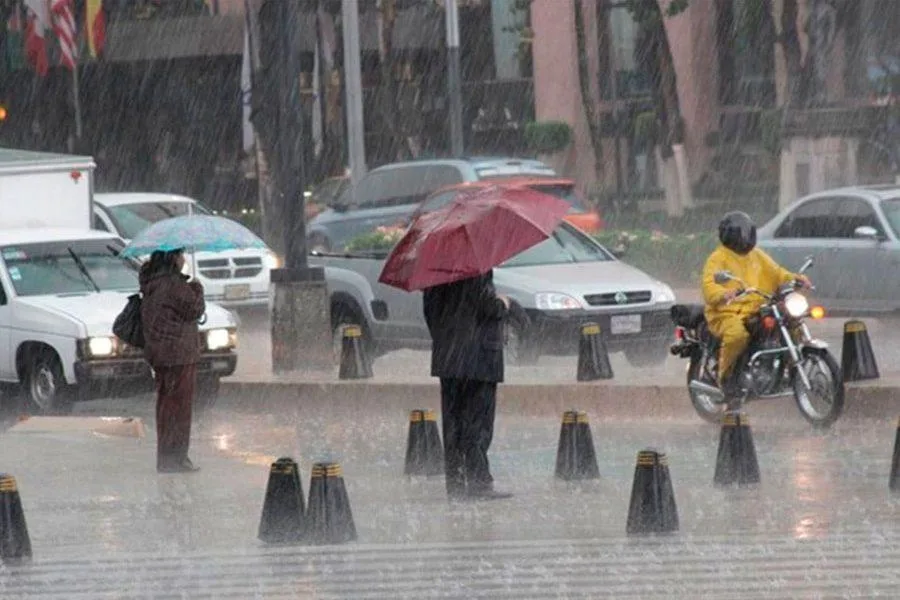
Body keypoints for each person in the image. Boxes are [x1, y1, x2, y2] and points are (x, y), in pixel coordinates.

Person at [423, 270, 513, 501]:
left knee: (454, 424)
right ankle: (478, 482)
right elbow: (486, 306)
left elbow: (430, 314)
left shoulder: (435, 271)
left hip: (450, 358)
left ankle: (456, 482)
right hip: (479, 359)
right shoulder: (475, 268)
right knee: (477, 423)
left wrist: (448, 340)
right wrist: (503, 303)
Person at [701, 211, 811, 395]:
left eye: (747, 233)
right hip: (726, 312)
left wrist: (796, 279)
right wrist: (724, 293)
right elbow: (709, 284)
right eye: (740, 234)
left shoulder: (757, 255)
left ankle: (788, 368)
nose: (744, 238)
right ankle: (726, 377)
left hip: (757, 308)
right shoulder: (718, 258)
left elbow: (777, 273)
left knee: (792, 321)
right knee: (737, 336)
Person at [139, 248, 206, 473]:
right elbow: (195, 308)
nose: (184, 259)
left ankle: (166, 456)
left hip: (160, 353)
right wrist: (197, 288)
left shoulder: (152, 282)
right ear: (173, 258)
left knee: (166, 406)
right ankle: (177, 458)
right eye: (181, 255)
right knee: (180, 408)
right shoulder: (173, 285)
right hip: (179, 355)